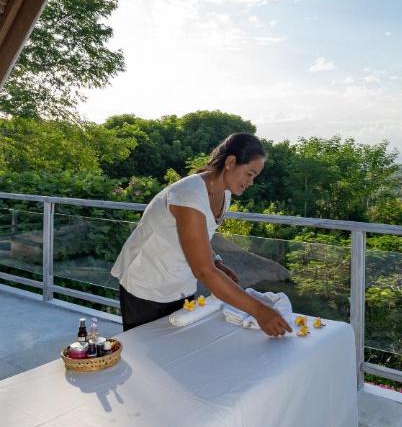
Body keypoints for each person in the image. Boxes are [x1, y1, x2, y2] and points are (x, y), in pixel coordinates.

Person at [110, 133, 292, 337]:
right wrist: (259, 310)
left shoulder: (224, 194)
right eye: (249, 174)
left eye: (254, 177)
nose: (250, 182)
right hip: (146, 283)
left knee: (175, 349)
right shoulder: (188, 195)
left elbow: (199, 237)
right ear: (231, 162)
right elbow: (204, 272)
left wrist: (217, 262)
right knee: (144, 355)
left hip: (179, 284)